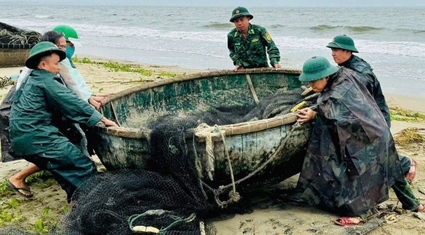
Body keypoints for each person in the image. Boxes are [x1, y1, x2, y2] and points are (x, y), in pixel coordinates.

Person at [295, 56, 424, 226]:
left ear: (325, 76)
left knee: (357, 175)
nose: (310, 86)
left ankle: (358, 214)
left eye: (313, 82)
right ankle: (414, 205)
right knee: (391, 169)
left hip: (366, 136)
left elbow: (334, 112)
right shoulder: (345, 73)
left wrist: (314, 114)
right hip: (378, 128)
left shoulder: (337, 94)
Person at [8, 41, 118, 202]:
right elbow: (71, 101)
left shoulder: (31, 80)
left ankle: (76, 203)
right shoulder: (46, 80)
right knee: (81, 165)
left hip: (23, 139)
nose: (59, 67)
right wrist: (102, 119)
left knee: (65, 170)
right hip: (38, 137)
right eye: (56, 64)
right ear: (44, 65)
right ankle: (93, 204)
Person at [326, 34, 417, 183]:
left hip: (375, 118)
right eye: (332, 49)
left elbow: (353, 96)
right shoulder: (346, 66)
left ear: (348, 51)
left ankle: (407, 164)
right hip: (364, 116)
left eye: (336, 50)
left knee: (372, 151)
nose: (332, 53)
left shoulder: (361, 73)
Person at [227, 6, 281, 71]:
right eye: (236, 21)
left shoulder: (259, 31)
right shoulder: (231, 35)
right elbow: (232, 51)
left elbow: (272, 46)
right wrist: (238, 63)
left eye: (242, 20)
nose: (239, 23)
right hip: (243, 70)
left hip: (262, 69)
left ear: (248, 19)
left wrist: (274, 61)